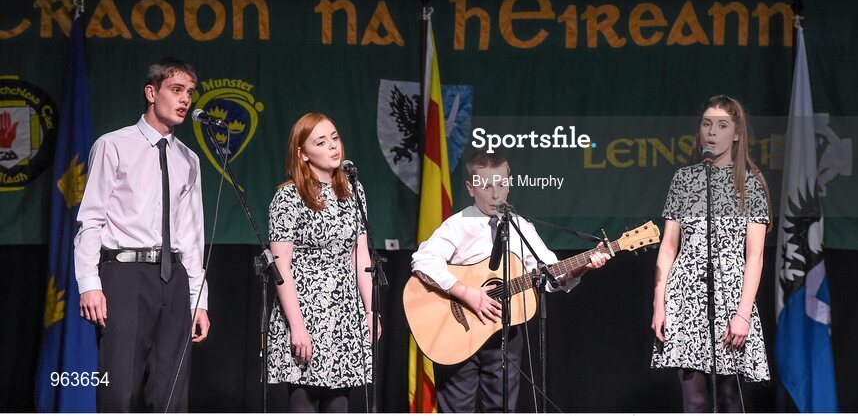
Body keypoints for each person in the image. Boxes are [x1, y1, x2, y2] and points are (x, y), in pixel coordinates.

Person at [411, 150, 608, 412]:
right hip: (458, 332)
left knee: (502, 409)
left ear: (510, 183)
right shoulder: (457, 225)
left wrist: (581, 267)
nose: (495, 194)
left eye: (501, 185)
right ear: (471, 189)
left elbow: (549, 275)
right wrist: (466, 293)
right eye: (486, 186)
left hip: (504, 335)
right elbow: (423, 261)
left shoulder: (521, 227)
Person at [75, 58, 209, 412]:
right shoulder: (114, 145)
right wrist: (89, 282)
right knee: (120, 387)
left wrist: (199, 300)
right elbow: (91, 218)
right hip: (125, 273)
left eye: (190, 93)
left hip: (174, 277)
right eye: (176, 90)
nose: (185, 100)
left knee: (171, 392)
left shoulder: (188, 159)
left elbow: (192, 234)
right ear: (151, 92)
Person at [651, 95, 771, 412]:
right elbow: (669, 246)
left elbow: (755, 255)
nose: (712, 132)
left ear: (736, 133)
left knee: (730, 397)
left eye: (721, 125)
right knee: (694, 398)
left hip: (732, 298)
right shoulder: (683, 180)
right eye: (707, 124)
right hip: (685, 298)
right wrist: (659, 303)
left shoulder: (751, 184)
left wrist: (743, 312)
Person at [267, 113, 375, 413]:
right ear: (303, 154)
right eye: (321, 141)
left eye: (335, 138)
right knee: (304, 401)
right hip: (305, 311)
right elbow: (281, 267)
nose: (333, 146)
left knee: (339, 404)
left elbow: (360, 255)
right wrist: (297, 327)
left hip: (344, 312)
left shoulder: (354, 191)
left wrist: (368, 310)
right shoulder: (289, 197)